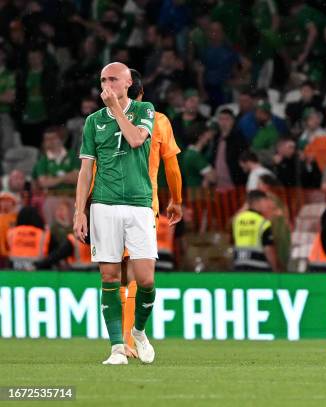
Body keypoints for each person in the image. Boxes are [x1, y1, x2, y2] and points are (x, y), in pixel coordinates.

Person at [73, 62, 157, 365]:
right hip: (104, 204)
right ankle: (116, 347)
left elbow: (135, 140)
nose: (107, 85)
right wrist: (79, 211)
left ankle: (138, 330)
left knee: (146, 281)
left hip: (138, 203)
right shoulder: (93, 121)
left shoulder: (145, 109)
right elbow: (85, 170)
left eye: (113, 79)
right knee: (108, 276)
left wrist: (116, 109)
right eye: (103, 80)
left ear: (128, 82)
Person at [119, 68, 184, 358]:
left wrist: (85, 208)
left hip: (108, 204)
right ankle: (131, 338)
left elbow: (93, 168)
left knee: (117, 277)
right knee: (137, 275)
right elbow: (171, 165)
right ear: (142, 94)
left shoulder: (105, 120)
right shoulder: (158, 121)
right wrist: (177, 200)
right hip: (145, 206)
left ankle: (122, 341)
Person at [231, 190, 279, 272]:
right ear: (258, 202)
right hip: (259, 268)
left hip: (240, 266)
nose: (267, 204)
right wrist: (276, 269)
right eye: (265, 201)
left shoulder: (237, 220)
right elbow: (268, 249)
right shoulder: (263, 222)